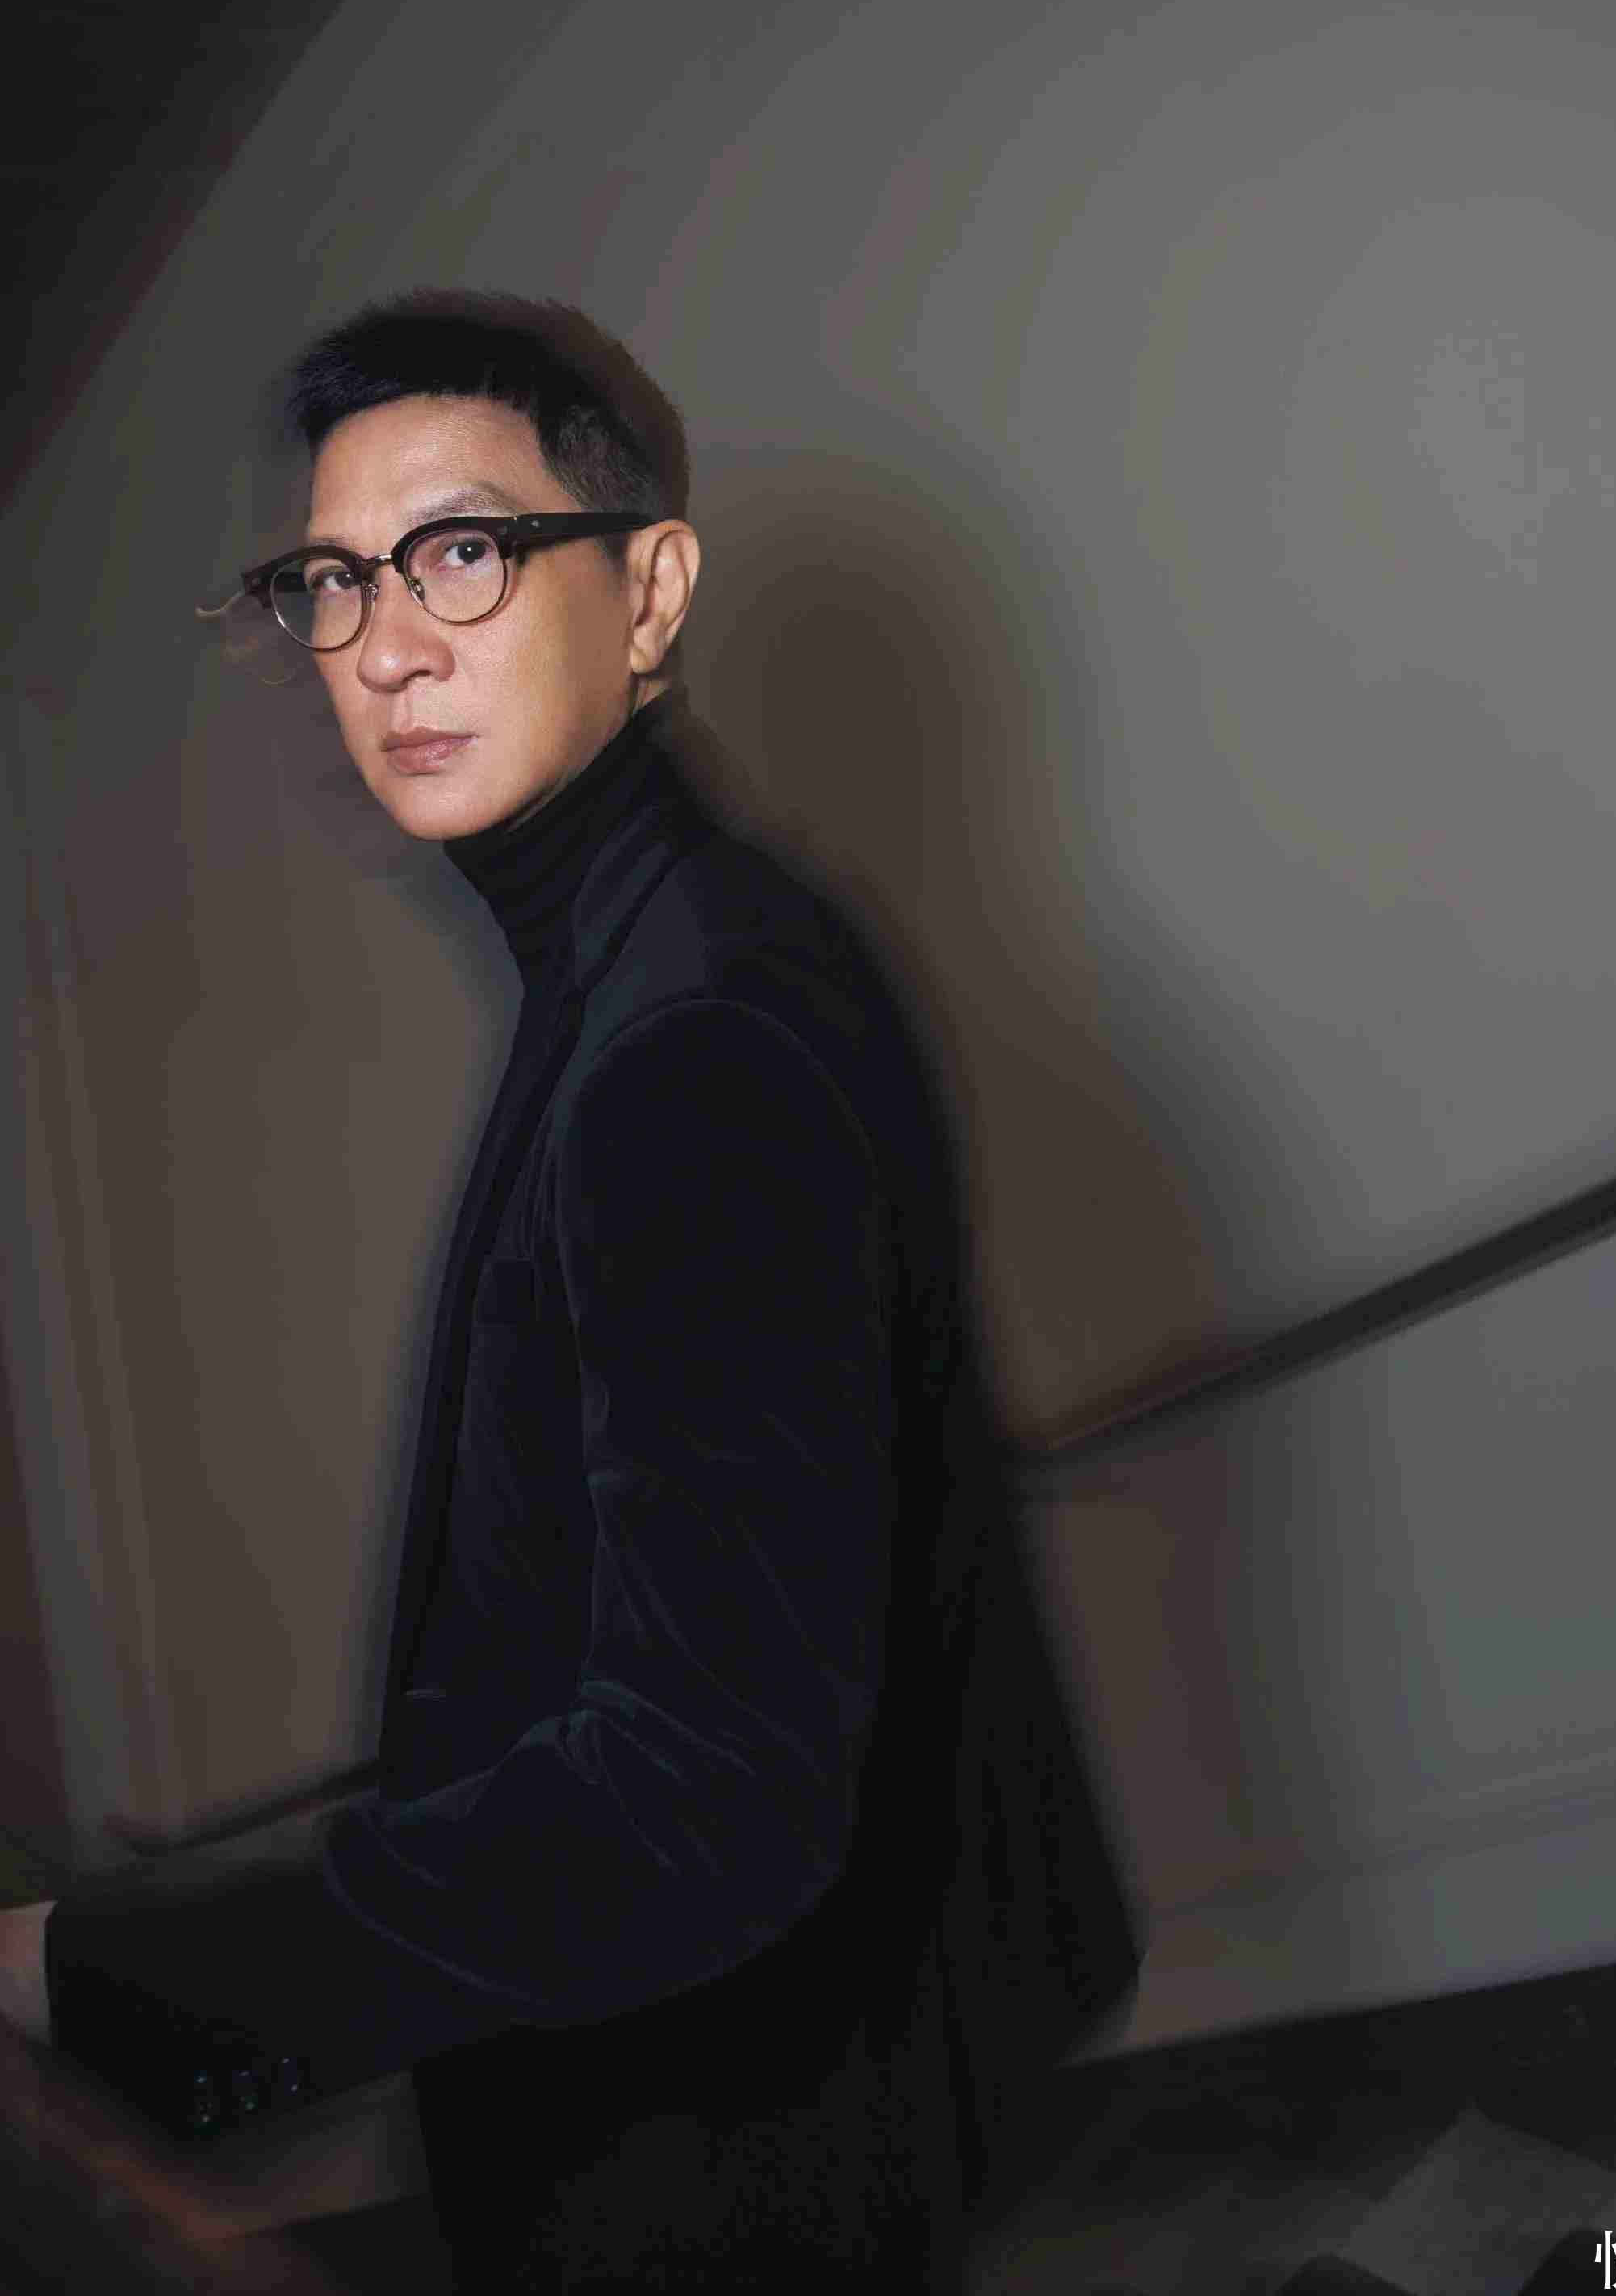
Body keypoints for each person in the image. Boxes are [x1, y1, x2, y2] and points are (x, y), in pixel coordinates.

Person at [0, 292, 1139, 2290]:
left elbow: (704, 1799)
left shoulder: (695, 1035)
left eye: (461, 550)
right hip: (790, 2076)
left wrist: (84, 1981)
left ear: (650, 591)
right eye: (332, 583)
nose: (385, 646)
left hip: (744, 2123)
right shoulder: (667, 944)